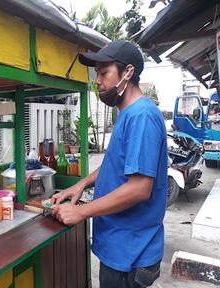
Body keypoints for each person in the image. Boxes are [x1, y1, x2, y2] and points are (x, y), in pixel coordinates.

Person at [51, 40, 168, 288]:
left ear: (127, 72)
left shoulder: (142, 116)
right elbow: (116, 163)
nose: (98, 81)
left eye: (104, 73)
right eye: (97, 74)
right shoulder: (127, 113)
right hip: (120, 245)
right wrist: (81, 184)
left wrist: (81, 211)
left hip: (131, 251)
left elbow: (139, 188)